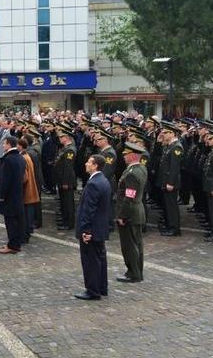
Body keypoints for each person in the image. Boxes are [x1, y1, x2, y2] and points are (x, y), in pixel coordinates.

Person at [74, 154, 112, 300]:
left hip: (93, 229)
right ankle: (101, 287)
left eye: (89, 162)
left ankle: (93, 290)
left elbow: (89, 209)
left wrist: (86, 230)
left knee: (91, 261)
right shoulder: (103, 180)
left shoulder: (93, 184)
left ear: (95, 165)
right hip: (100, 228)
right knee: (100, 259)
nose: (85, 164)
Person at [114, 142, 148, 284]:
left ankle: (133, 273)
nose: (124, 157)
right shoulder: (141, 169)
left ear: (133, 155)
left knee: (130, 245)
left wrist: (122, 215)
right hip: (136, 211)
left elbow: (129, 197)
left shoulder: (132, 174)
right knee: (137, 244)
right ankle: (136, 271)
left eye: (126, 154)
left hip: (130, 213)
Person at [0, 136, 25, 254]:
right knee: (16, 220)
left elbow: (4, 181)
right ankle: (15, 243)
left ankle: (12, 245)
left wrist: (1, 196)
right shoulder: (20, 157)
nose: (2, 146)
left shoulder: (8, 159)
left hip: (10, 196)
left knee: (11, 221)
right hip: (18, 193)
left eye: (4, 144)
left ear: (8, 145)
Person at [156, 121, 184, 236]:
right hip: (165, 180)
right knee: (168, 205)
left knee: (172, 206)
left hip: (170, 181)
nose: (164, 134)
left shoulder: (176, 147)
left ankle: (174, 228)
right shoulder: (169, 145)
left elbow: (174, 167)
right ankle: (169, 225)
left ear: (172, 133)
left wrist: (170, 182)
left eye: (166, 132)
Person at [54, 128, 78, 230]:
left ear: (67, 137)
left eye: (61, 137)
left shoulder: (70, 150)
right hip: (62, 178)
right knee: (63, 201)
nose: (59, 138)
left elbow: (68, 167)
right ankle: (64, 219)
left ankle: (69, 223)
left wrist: (65, 181)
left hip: (67, 180)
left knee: (68, 202)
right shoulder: (65, 148)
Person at [17, 138, 40, 243]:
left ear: (20, 146)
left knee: (26, 215)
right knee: (28, 213)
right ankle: (27, 231)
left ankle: (25, 235)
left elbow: (24, 177)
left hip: (27, 190)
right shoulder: (27, 156)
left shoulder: (23, 157)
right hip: (30, 189)